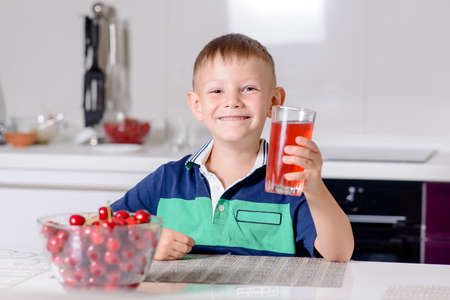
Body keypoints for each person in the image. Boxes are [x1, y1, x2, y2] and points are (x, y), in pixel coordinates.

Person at [111, 33, 354, 262]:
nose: (232, 102)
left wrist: (315, 189)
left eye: (249, 89)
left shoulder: (289, 181)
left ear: (274, 102)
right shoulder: (167, 181)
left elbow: (339, 253)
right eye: (217, 91)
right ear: (197, 105)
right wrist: (145, 242)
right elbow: (98, 229)